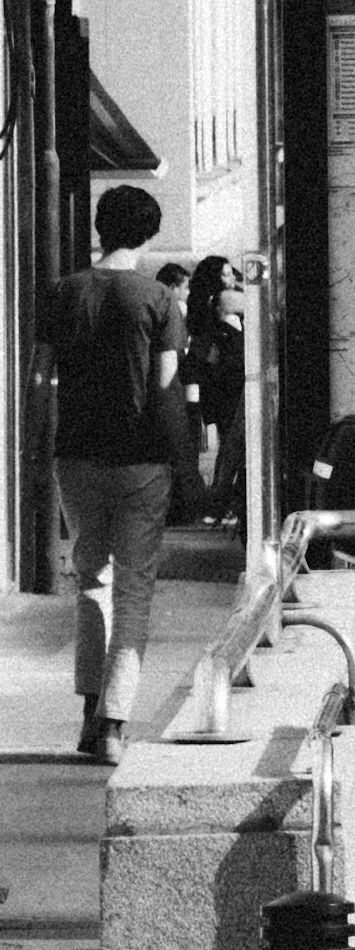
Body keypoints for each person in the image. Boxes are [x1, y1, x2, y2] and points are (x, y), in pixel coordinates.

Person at [38, 185, 203, 765]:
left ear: (100, 228)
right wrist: (186, 465)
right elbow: (167, 389)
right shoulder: (158, 299)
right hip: (141, 460)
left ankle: (89, 711)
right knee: (134, 588)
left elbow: (41, 378)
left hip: (76, 458)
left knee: (91, 579)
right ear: (150, 233)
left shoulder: (63, 293)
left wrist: (42, 449)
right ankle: (113, 722)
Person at [182, 254, 246, 529]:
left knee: (228, 445)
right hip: (230, 383)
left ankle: (219, 502)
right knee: (232, 447)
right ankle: (219, 501)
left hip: (217, 384)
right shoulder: (225, 300)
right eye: (226, 274)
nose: (232, 279)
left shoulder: (202, 308)